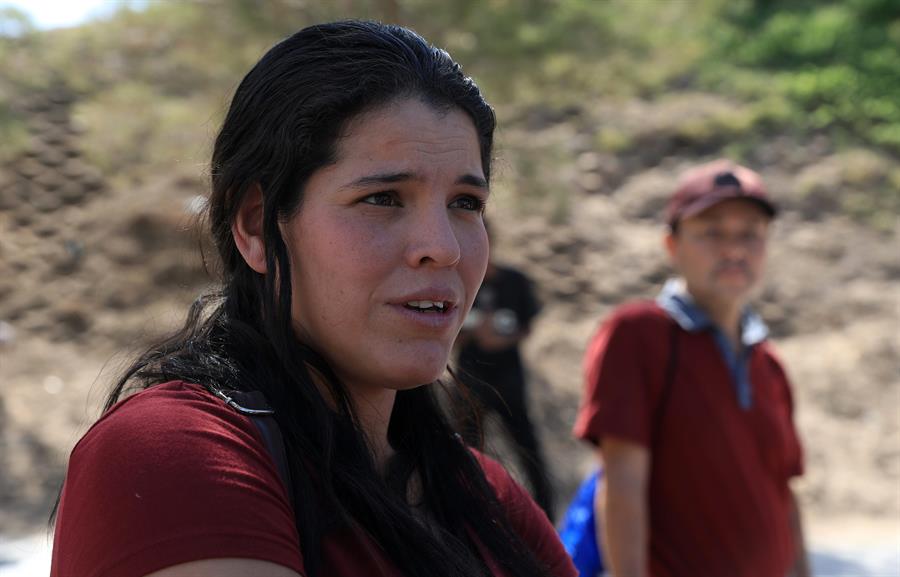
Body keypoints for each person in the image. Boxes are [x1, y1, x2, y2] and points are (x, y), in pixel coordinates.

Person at [50, 21, 576, 577]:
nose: (442, 248)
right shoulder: (176, 452)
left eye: (466, 203)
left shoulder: (484, 499)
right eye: (382, 197)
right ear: (255, 226)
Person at [572, 160, 810, 577]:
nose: (734, 249)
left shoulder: (768, 362)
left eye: (750, 233)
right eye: (712, 231)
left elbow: (783, 496)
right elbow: (622, 484)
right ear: (672, 245)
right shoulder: (639, 334)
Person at [455, 230, 554, 518]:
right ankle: (466, 514)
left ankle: (545, 514)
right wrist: (473, 334)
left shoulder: (514, 281)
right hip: (471, 377)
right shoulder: (457, 281)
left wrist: (498, 341)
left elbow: (527, 325)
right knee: (464, 447)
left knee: (526, 446)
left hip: (508, 378)